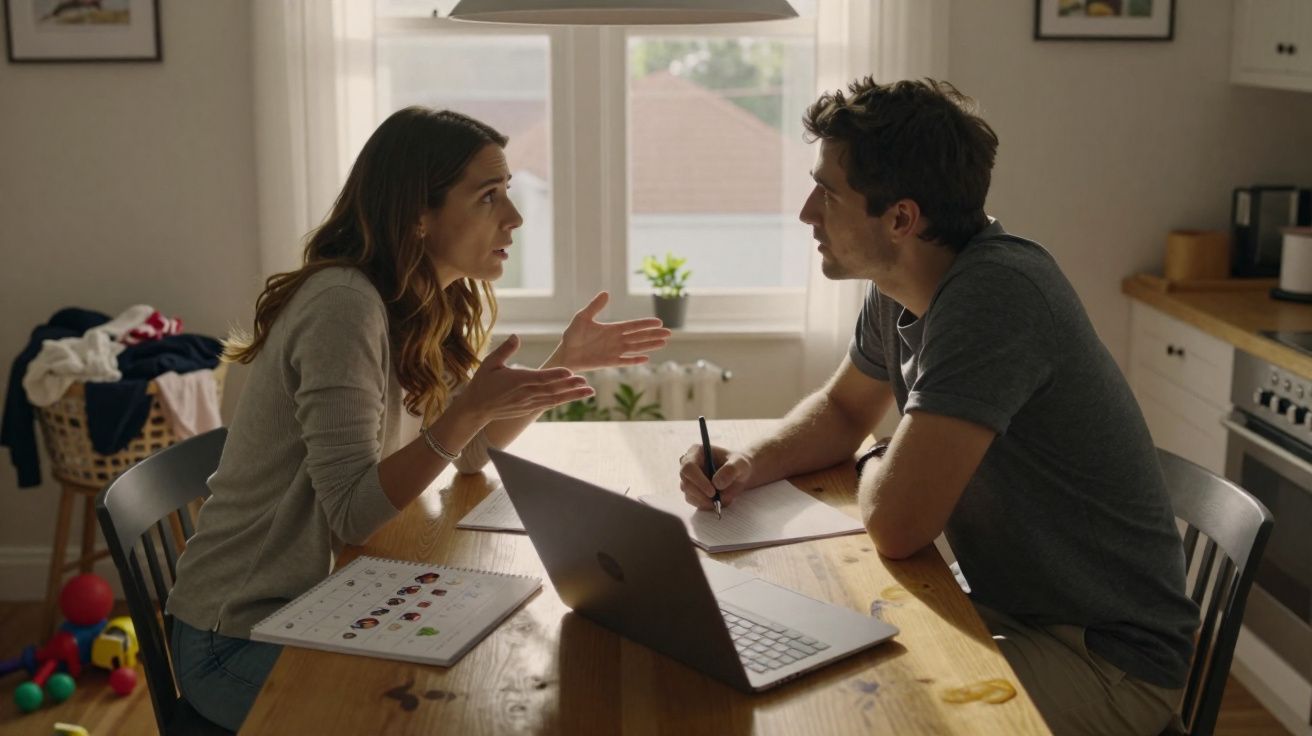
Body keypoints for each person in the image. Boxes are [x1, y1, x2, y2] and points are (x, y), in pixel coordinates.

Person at [677, 78, 1198, 736]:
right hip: (1004, 608)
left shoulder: (996, 296)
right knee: (810, 662)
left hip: (1105, 659)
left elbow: (897, 525)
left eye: (827, 194)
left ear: (901, 219)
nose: (807, 213)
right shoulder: (901, 284)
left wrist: (873, 459)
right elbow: (843, 410)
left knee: (857, 711)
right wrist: (749, 463)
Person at [167, 107, 671, 732]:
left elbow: (470, 453)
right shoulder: (343, 306)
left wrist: (559, 363)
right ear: (418, 215)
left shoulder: (417, 299)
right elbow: (353, 513)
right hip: (240, 635)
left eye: (508, 192)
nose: (514, 217)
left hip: (325, 605)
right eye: (488, 196)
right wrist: (468, 409)